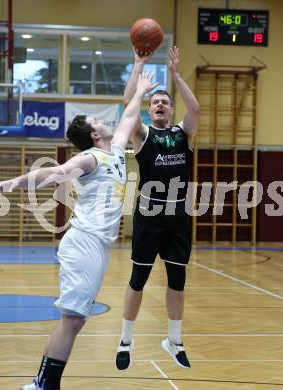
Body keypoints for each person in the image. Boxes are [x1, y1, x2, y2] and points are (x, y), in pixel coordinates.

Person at [0, 72, 158, 390]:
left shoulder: (117, 150)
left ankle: (43, 383)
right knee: (72, 319)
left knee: (76, 319)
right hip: (83, 243)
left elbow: (128, 116)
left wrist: (139, 82)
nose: (104, 120)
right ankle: (43, 384)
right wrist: (18, 181)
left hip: (96, 246)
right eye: (97, 119)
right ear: (95, 135)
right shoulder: (90, 159)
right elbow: (58, 172)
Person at [115, 46, 200, 370]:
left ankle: (174, 341)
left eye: (165, 101)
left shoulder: (183, 134)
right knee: (138, 278)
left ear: (171, 108)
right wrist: (138, 68)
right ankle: (126, 340)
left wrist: (176, 76)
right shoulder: (142, 135)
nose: (160, 104)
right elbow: (127, 106)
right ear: (150, 110)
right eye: (156, 102)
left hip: (178, 214)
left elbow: (196, 110)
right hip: (149, 213)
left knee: (177, 279)